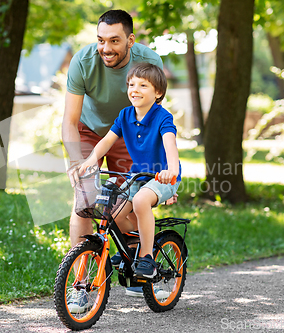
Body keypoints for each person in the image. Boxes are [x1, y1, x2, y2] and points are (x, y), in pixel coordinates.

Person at [62, 9, 164, 304]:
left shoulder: (149, 62)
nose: (106, 48)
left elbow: (156, 119)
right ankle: (81, 283)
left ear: (130, 40)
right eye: (101, 40)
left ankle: (137, 265)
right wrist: (74, 162)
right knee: (85, 202)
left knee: (123, 206)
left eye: (115, 41)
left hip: (130, 134)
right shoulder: (83, 61)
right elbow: (69, 119)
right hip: (88, 131)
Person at [78, 62, 181, 281]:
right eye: (132, 84)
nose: (135, 89)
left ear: (158, 92)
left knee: (142, 200)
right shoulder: (125, 115)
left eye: (143, 85)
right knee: (111, 214)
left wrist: (171, 170)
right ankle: (131, 246)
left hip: (162, 177)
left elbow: (170, 145)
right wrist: (90, 160)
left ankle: (146, 257)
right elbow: (107, 141)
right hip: (137, 176)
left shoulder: (163, 118)